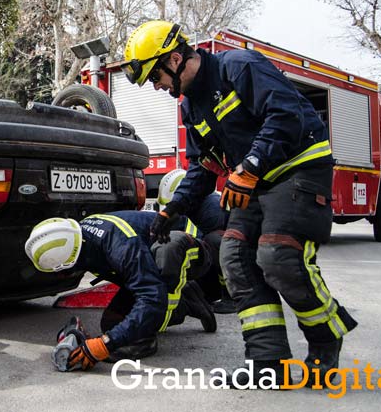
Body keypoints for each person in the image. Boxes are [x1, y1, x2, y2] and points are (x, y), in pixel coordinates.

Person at [124, 20, 357, 387]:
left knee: (278, 258)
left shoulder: (238, 66)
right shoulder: (192, 109)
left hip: (298, 168)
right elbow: (202, 168)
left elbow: (285, 115)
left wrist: (249, 166)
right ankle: (267, 365)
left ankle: (326, 338)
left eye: (156, 76)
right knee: (234, 259)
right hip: (253, 183)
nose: (157, 87)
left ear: (173, 58)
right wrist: (173, 210)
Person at [25, 211, 216, 371]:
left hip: (191, 249)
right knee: (112, 324)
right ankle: (190, 299)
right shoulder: (80, 237)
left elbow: (151, 299)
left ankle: (154, 333)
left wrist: (105, 344)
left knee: (150, 311)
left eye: (61, 272)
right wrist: (111, 336)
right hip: (147, 259)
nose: (61, 277)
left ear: (72, 259)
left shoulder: (120, 246)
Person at [157, 169, 236, 314]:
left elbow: (199, 242)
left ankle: (231, 297)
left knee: (211, 241)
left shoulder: (212, 208)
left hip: (233, 260)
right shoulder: (193, 206)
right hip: (214, 265)